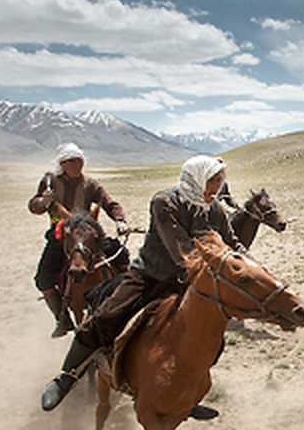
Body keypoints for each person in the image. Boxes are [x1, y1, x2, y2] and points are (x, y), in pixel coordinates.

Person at [40, 155, 248, 415]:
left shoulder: (214, 208)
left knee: (207, 337)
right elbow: (180, 248)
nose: (216, 186)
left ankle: (185, 395)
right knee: (107, 316)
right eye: (212, 180)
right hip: (150, 275)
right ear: (196, 178)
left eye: (219, 180)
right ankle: (67, 377)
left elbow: (231, 241)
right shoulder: (165, 202)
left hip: (189, 280)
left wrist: (249, 264)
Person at [28, 142, 128, 337]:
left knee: (120, 254)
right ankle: (63, 319)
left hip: (88, 236)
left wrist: (120, 220)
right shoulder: (50, 182)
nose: (76, 165)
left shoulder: (91, 184)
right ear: (62, 164)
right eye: (71, 162)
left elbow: (109, 202)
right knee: (43, 279)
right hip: (61, 238)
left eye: (79, 161)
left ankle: (125, 300)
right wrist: (43, 202)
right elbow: (34, 206)